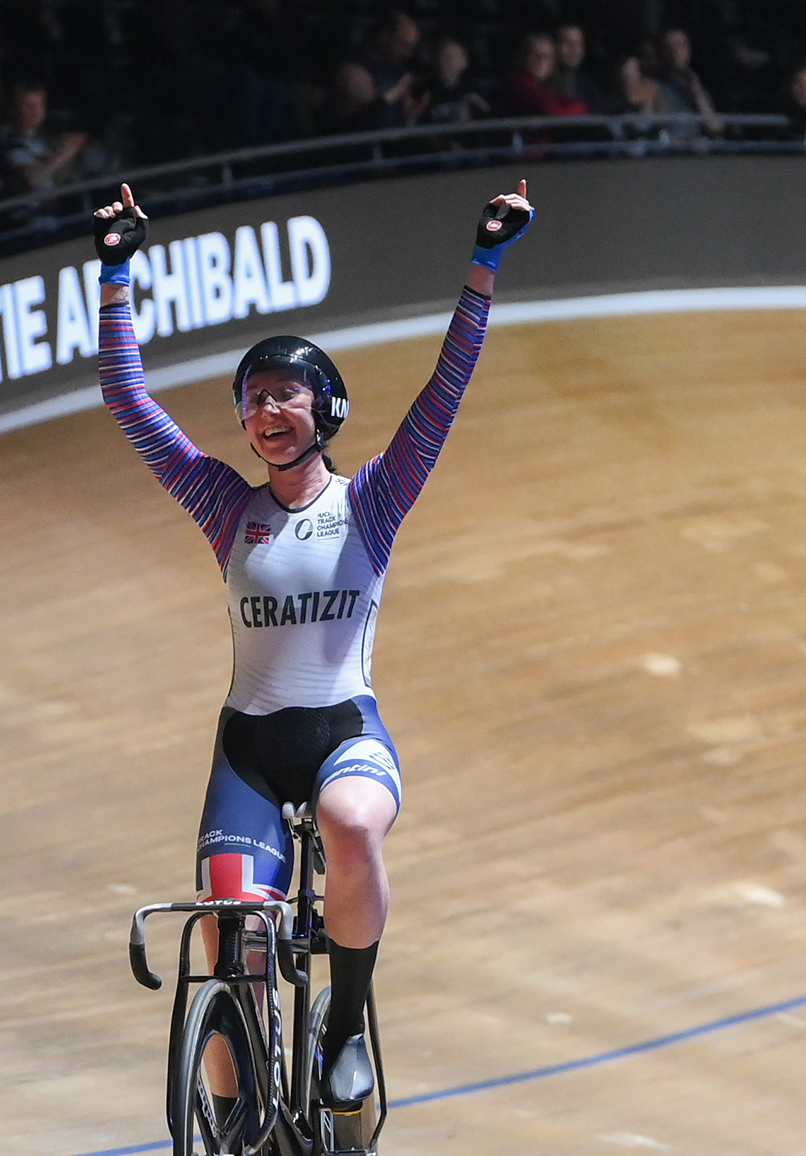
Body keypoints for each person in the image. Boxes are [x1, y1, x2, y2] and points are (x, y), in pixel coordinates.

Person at [90, 178, 533, 1105]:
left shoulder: (370, 499)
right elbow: (128, 401)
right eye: (252, 398)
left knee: (353, 822)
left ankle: (342, 1018)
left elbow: (444, 391)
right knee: (223, 950)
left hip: (343, 734)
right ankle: (231, 1148)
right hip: (249, 752)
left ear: (324, 410)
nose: (265, 410)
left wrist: (484, 263)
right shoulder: (226, 506)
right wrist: (116, 274)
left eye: (286, 394)